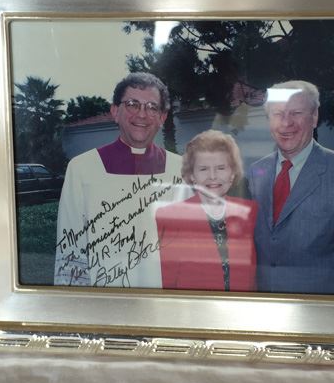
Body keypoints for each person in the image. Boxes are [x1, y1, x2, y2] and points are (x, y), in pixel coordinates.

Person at [54, 72, 186, 288]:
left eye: (152, 107)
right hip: (104, 302)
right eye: (133, 104)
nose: (142, 115)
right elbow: (71, 249)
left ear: (162, 118)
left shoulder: (180, 169)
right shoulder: (82, 169)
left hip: (165, 300)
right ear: (115, 111)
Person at [248, 80, 334, 295]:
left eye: (296, 113)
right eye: (278, 114)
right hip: (263, 313)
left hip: (319, 318)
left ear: (315, 117)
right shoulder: (256, 172)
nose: (286, 123)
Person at [155, 131, 258, 292]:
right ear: (192, 175)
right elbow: (166, 281)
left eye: (221, 168)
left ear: (232, 173)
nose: (212, 176)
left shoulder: (250, 212)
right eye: (203, 169)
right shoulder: (170, 217)